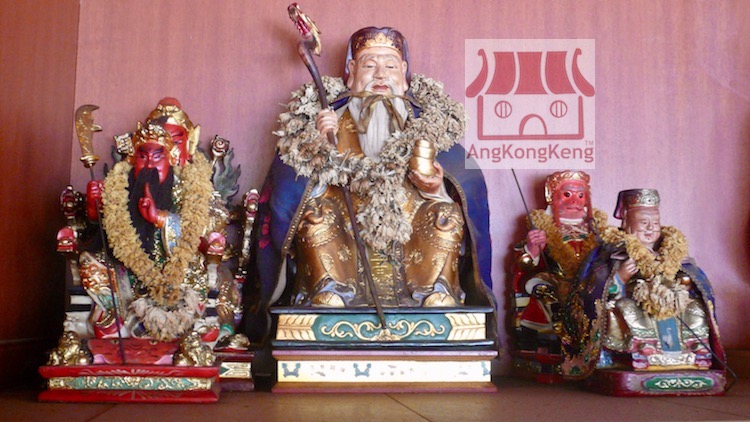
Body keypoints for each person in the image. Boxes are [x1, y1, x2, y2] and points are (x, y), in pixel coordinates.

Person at [245, 27, 494, 340]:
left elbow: (466, 187)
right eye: (369, 65)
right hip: (344, 229)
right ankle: (329, 290)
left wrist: (436, 190)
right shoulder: (328, 119)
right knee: (314, 214)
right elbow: (290, 192)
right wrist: (318, 147)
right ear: (351, 71)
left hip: (410, 232)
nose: (380, 75)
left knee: (447, 215)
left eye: (390, 66)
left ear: (404, 73)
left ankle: (435, 292)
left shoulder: (428, 125)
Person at [78, 99, 240, 345]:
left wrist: (161, 219)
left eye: (173, 143)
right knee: (92, 263)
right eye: (142, 156)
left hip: (179, 269)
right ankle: (116, 316)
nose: (149, 164)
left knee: (214, 276)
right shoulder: (123, 184)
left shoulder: (193, 184)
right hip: (130, 271)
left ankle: (199, 326)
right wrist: (94, 207)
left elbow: (208, 228)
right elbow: (105, 228)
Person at [562, 189, 723, 377]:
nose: (650, 228)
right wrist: (620, 278)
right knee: (625, 309)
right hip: (633, 303)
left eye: (655, 223)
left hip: (672, 305)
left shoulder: (672, 252)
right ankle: (642, 347)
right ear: (626, 223)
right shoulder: (611, 252)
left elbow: (696, 282)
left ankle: (694, 347)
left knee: (696, 309)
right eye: (644, 222)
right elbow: (593, 289)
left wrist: (684, 286)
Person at [510, 170, 608, 355]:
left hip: (590, 282)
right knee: (547, 293)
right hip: (556, 280)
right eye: (567, 194)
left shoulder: (598, 230)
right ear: (551, 196)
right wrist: (533, 249)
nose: (575, 201)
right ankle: (555, 342)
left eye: (581, 195)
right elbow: (523, 267)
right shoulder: (543, 228)